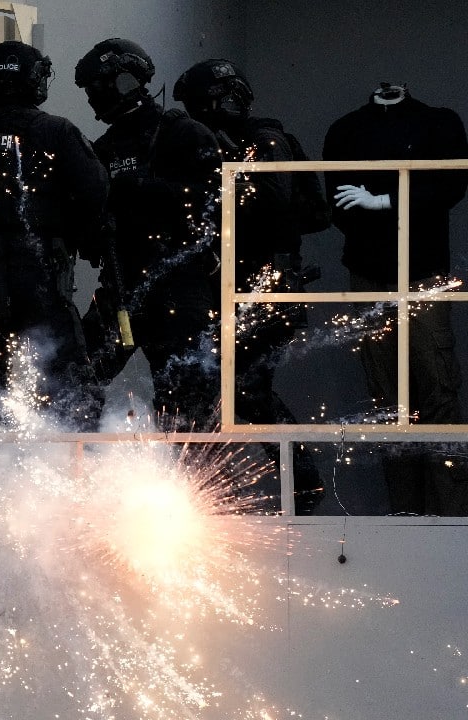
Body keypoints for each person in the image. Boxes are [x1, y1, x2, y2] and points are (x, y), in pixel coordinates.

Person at [173, 58, 324, 514]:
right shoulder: (233, 143)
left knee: (246, 390)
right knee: (221, 388)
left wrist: (235, 171)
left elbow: (297, 210)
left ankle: (302, 485)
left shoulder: (265, 141)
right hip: (236, 287)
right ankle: (212, 491)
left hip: (266, 288)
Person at [0, 40, 107, 429]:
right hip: (37, 276)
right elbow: (94, 192)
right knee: (65, 382)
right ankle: (74, 473)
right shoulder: (56, 131)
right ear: (34, 81)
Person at [323, 82, 468, 515]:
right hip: (371, 273)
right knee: (388, 399)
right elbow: (339, 205)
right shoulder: (347, 130)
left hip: (422, 274)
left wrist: (384, 200)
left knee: (437, 387)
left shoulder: (437, 123)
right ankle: (405, 514)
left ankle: (452, 516)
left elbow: (451, 185)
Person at [73, 38, 223, 432]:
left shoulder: (184, 134)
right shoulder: (101, 149)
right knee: (75, 382)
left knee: (188, 402)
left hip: (180, 287)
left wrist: (139, 189)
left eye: (96, 90)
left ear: (124, 82)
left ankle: (191, 487)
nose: (92, 101)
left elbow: (215, 204)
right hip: (121, 289)